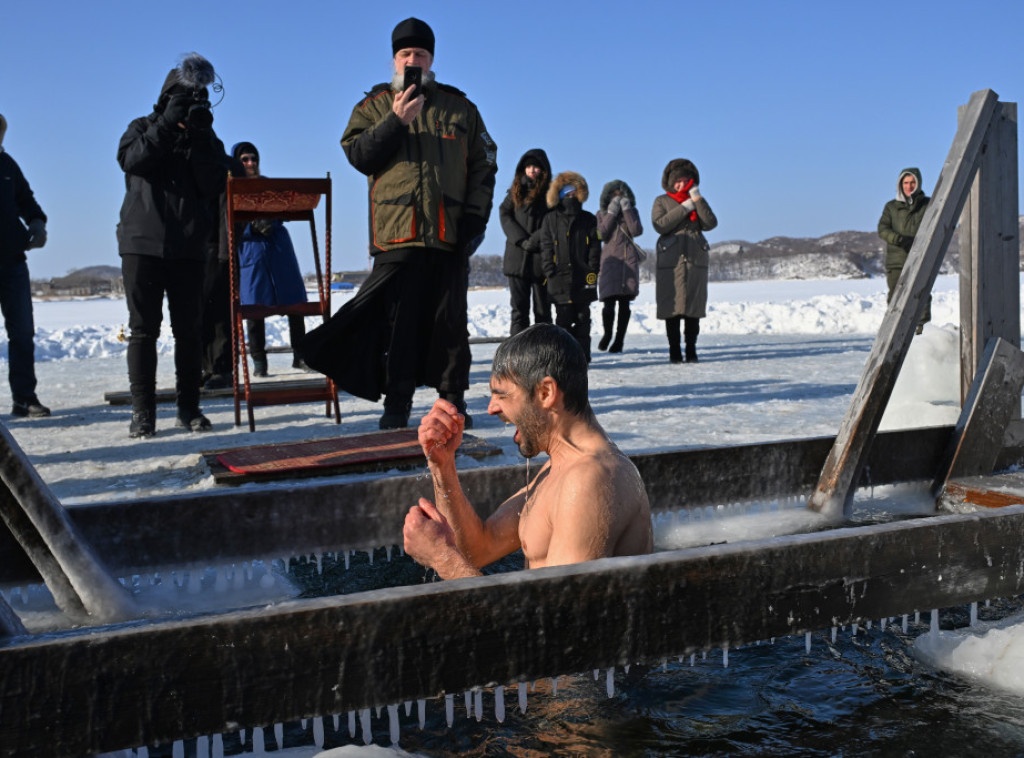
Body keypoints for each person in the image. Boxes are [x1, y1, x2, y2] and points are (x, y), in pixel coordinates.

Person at [303, 17, 497, 430]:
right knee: (398, 327)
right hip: (397, 233)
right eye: (406, 54)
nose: (414, 60)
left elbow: (485, 164)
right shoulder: (373, 106)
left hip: (449, 233)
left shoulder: (460, 108)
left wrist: (475, 217)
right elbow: (358, 155)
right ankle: (397, 406)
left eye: (421, 54)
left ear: (432, 59)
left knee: (450, 326)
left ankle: (452, 405)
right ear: (395, 59)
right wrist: (395, 121)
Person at [403, 323, 653, 579]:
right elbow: (478, 549)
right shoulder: (561, 467)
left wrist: (442, 558)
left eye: (502, 396)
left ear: (545, 392)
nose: (492, 409)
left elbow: (555, 616)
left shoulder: (591, 479)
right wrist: (443, 466)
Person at [116, 53, 227, 438]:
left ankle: (189, 408)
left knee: (190, 332)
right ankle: (142, 412)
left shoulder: (206, 138)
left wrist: (198, 139)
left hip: (190, 247)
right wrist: (166, 124)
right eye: (185, 98)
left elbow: (214, 184)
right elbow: (133, 161)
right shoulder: (142, 127)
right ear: (167, 96)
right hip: (142, 243)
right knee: (143, 330)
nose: (194, 106)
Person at [231, 141, 310, 378]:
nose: (251, 164)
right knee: (255, 306)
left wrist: (271, 218)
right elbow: (229, 221)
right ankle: (259, 361)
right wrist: (249, 225)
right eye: (245, 159)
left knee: (295, 302)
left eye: (253, 158)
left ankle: (301, 355)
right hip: (251, 250)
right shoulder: (231, 187)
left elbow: (285, 207)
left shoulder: (269, 186)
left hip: (278, 249)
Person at [0, 113, 51, 418]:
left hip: (12, 262)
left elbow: (27, 200)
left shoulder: (7, 166)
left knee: (22, 333)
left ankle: (24, 398)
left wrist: (37, 223)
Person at [651, 158, 717, 364]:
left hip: (694, 262)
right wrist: (685, 208)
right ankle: (674, 351)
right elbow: (660, 225)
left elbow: (710, 223)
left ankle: (691, 350)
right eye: (677, 181)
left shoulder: (697, 199)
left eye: (685, 181)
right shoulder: (661, 201)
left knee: (693, 309)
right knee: (672, 308)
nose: (681, 185)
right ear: (670, 182)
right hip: (670, 262)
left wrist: (697, 200)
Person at [540, 172, 601, 361]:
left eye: (574, 193)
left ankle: (583, 358)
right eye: (566, 194)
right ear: (558, 195)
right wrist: (550, 269)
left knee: (583, 320)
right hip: (559, 279)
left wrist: (592, 269)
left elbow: (595, 247)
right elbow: (546, 246)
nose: (570, 197)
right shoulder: (550, 219)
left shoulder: (588, 219)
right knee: (562, 322)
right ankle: (564, 359)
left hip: (584, 278)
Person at [499, 149, 553, 336]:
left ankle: (544, 352)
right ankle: (516, 355)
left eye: (536, 167)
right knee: (519, 311)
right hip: (517, 259)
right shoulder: (515, 192)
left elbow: (553, 221)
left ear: (543, 170)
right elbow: (504, 214)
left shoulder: (551, 195)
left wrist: (535, 239)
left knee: (543, 312)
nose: (532, 170)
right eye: (529, 167)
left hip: (541, 261)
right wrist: (521, 240)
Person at [877, 167, 931, 334]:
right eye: (906, 182)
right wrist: (899, 239)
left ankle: (922, 332)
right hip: (897, 261)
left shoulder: (927, 204)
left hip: (920, 258)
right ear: (900, 184)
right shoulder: (891, 207)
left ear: (918, 183)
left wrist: (920, 243)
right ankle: (892, 331)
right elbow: (882, 228)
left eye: (912, 182)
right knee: (895, 296)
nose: (909, 186)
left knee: (922, 294)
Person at [596, 180, 644, 353]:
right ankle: (607, 334)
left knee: (625, 304)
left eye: (620, 195)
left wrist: (627, 210)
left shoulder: (632, 212)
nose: (617, 198)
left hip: (627, 261)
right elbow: (601, 234)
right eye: (613, 195)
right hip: (609, 261)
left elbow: (637, 230)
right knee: (608, 303)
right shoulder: (600, 214)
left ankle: (619, 340)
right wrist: (611, 213)